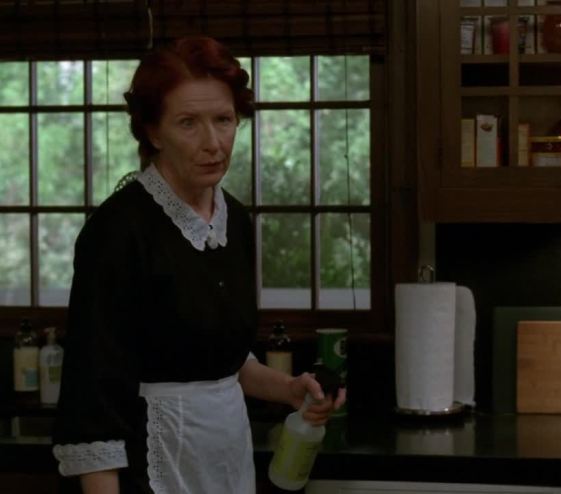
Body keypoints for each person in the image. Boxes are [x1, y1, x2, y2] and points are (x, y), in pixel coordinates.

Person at [51, 36, 345, 493]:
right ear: (153, 132)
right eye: (188, 123)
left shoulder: (236, 221)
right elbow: (92, 391)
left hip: (227, 460)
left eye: (223, 120)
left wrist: (288, 389)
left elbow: (219, 359)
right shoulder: (118, 230)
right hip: (149, 466)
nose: (212, 143)